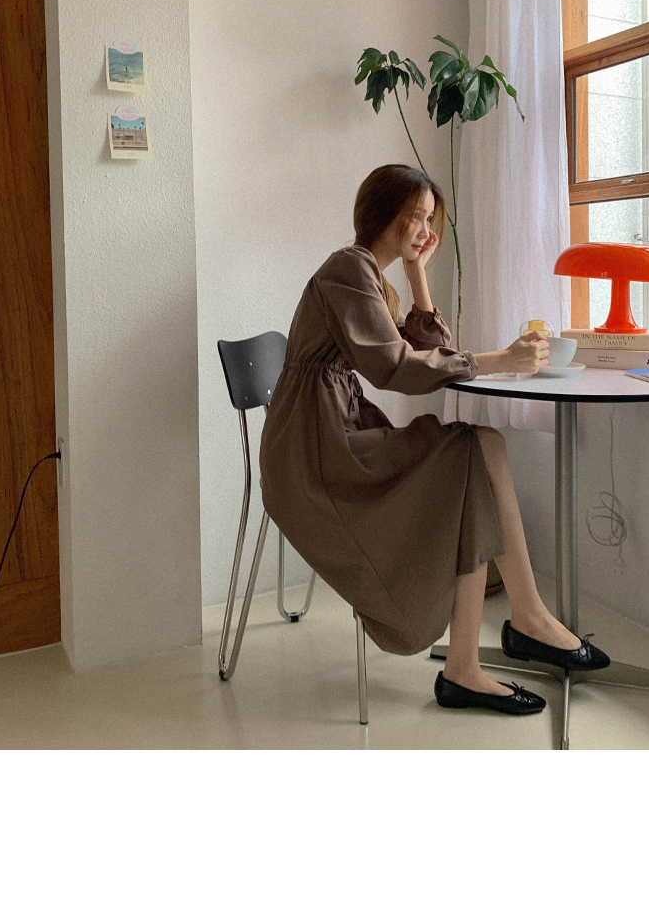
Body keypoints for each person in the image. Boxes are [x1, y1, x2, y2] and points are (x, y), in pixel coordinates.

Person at [259, 163, 610, 717]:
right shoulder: (348, 267)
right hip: (314, 452)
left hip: (337, 433)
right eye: (416, 217)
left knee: (481, 445)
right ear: (384, 214)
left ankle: (493, 644)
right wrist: (500, 359)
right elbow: (395, 367)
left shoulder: (376, 278)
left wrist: (418, 272)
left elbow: (428, 350)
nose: (425, 230)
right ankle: (516, 629)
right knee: (474, 450)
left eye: (429, 220)